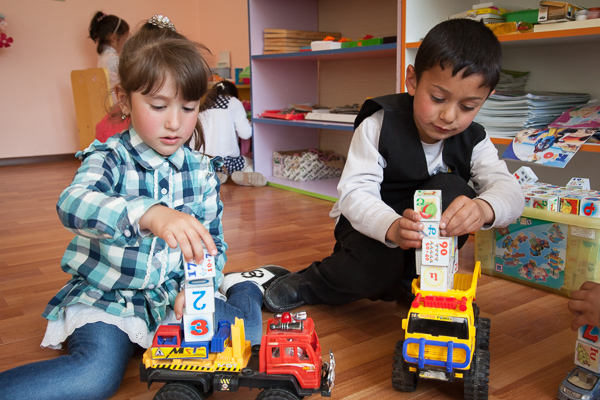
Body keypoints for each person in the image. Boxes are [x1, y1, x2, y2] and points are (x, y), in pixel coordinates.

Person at [0, 15, 288, 400]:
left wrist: (196, 287)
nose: (175, 123)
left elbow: (211, 243)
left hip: (173, 296)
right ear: (124, 99)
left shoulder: (202, 171)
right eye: (158, 106)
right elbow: (72, 204)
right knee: (94, 376)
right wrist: (146, 213)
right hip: (110, 297)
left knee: (246, 338)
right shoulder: (108, 157)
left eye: (188, 108)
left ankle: (244, 287)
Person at [264, 18, 525, 313]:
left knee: (454, 189)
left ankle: (416, 284)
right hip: (371, 228)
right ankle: (310, 282)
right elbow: (354, 193)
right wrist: (391, 226)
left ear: (485, 99)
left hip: (424, 244)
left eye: (467, 106)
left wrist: (484, 209)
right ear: (412, 81)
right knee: (371, 272)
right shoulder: (379, 125)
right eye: (438, 98)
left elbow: (511, 192)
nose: (449, 116)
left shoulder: (475, 138)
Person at [198, 80, 266, 186]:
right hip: (226, 162)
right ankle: (243, 176)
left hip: (201, 162)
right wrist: (250, 125)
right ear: (233, 93)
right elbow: (246, 133)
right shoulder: (233, 102)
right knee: (255, 163)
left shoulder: (203, 105)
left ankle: (215, 175)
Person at [88, 11, 130, 142]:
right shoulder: (113, 60)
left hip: (106, 106)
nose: (125, 43)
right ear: (114, 38)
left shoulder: (101, 58)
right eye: (125, 39)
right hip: (116, 109)